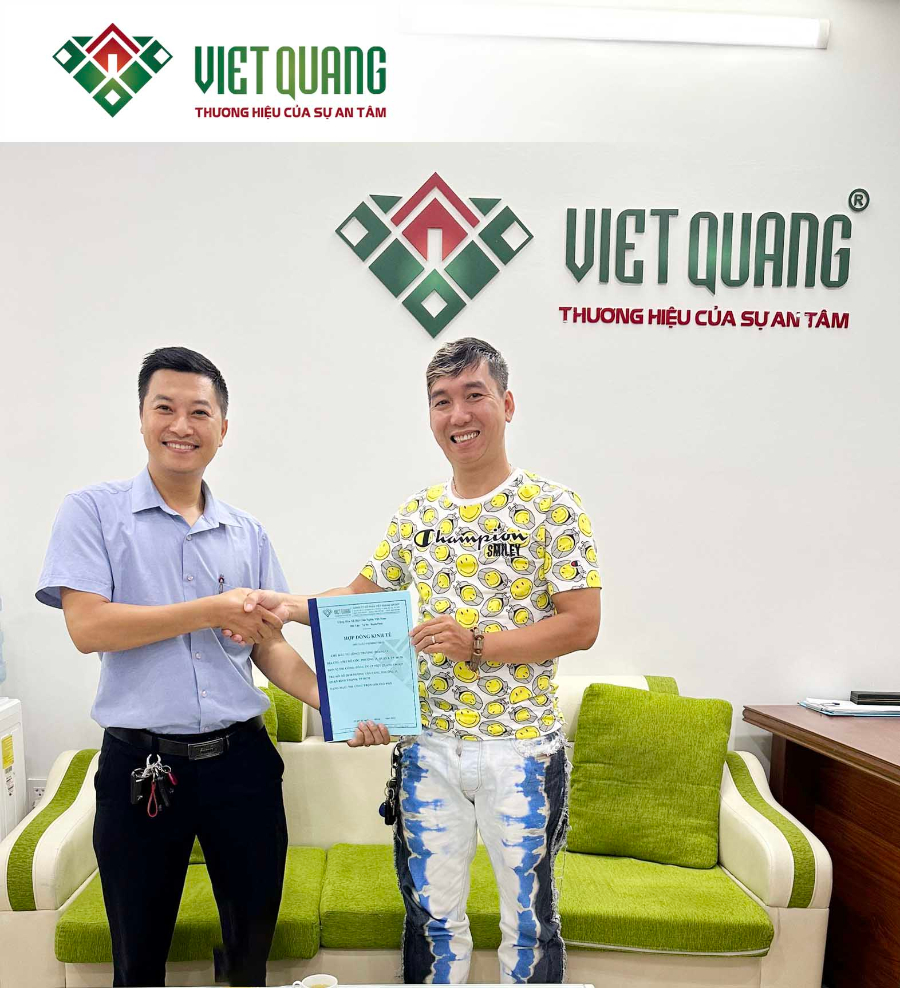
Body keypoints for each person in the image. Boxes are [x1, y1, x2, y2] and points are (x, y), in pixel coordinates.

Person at [236, 337, 601, 984]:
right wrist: (286, 606)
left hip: (521, 750)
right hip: (426, 749)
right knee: (432, 920)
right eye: (441, 401)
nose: (458, 414)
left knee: (529, 921)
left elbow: (581, 625)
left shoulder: (554, 506)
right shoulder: (417, 515)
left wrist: (476, 645)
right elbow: (357, 599)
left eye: (474, 395)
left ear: (507, 404)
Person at [35, 346, 388, 988]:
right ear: (141, 417)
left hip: (242, 765)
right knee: (138, 960)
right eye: (164, 408)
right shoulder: (92, 511)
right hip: (143, 766)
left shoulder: (246, 532)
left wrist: (340, 708)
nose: (182, 425)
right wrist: (208, 610)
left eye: (200, 412)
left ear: (223, 428)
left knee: (252, 956)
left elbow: (270, 647)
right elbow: (88, 628)